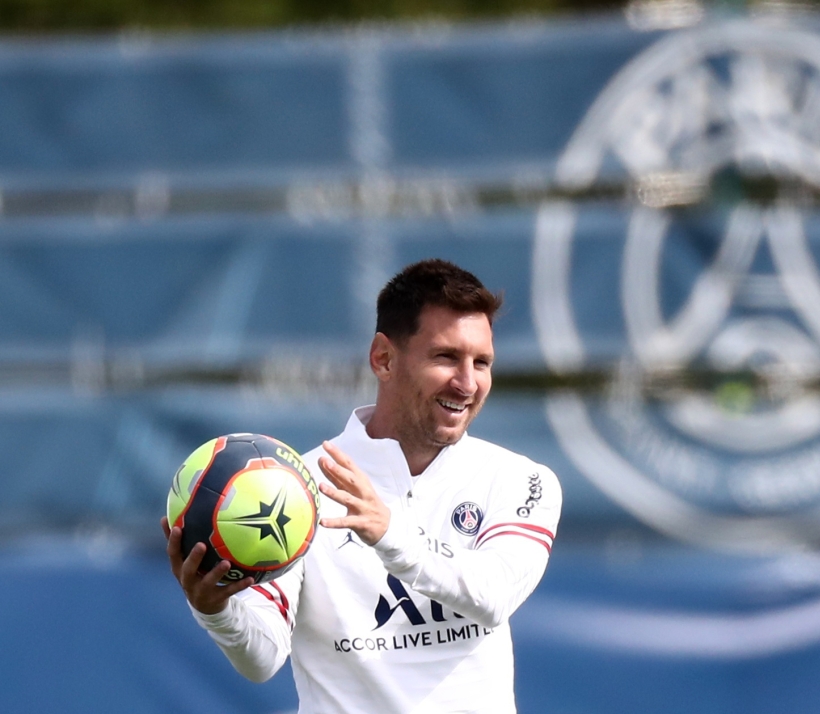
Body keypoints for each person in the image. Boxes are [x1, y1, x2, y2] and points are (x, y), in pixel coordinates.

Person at [162, 258, 562, 713]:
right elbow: (263, 657)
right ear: (384, 358)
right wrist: (216, 610)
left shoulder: (521, 480)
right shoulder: (297, 488)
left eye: (482, 362)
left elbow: (492, 595)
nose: (468, 382)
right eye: (446, 357)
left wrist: (390, 534)